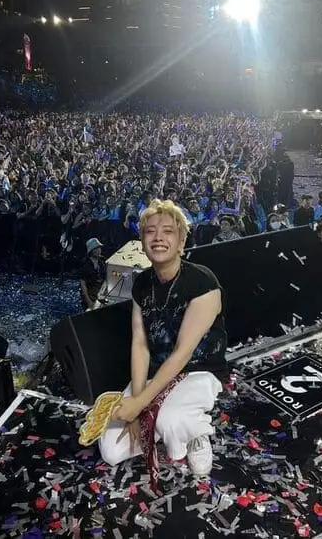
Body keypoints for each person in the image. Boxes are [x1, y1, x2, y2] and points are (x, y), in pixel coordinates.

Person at [99, 199, 227, 483]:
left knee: (172, 420)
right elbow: (140, 343)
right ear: (143, 241)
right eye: (150, 231)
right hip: (157, 372)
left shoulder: (202, 281)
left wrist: (140, 403)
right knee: (111, 450)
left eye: (168, 231)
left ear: (181, 241)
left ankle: (195, 432)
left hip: (198, 371)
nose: (158, 237)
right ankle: (163, 423)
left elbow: (183, 353)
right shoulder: (142, 283)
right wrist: (136, 402)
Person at [80, 238, 106, 310]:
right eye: (96, 249)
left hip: (100, 295)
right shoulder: (85, 265)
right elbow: (83, 284)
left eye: (99, 248)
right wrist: (89, 301)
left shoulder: (102, 262)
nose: (99, 250)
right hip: (90, 295)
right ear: (91, 251)